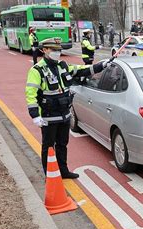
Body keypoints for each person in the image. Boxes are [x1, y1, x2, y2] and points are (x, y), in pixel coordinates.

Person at [25, 37, 111, 179]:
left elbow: (81, 70)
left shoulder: (62, 66)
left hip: (65, 114)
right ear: (44, 50)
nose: (57, 53)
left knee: (62, 144)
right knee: (48, 146)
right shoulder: (37, 70)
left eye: (58, 50)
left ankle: (63, 171)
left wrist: (101, 65)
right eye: (54, 50)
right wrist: (35, 115)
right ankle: (50, 175)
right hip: (48, 116)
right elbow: (30, 94)